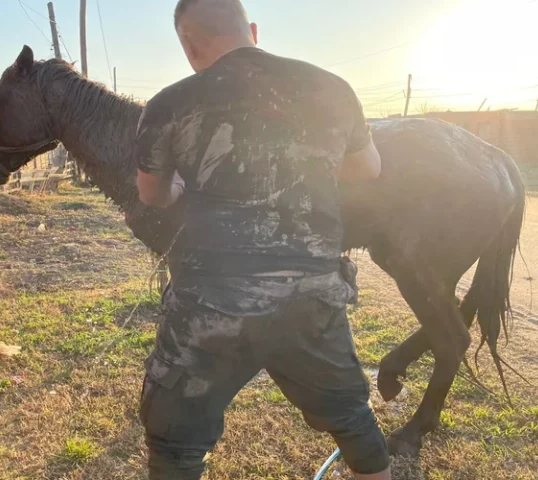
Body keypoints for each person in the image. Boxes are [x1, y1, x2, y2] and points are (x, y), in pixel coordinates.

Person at [134, 1, 391, 478]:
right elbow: (367, 169)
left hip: (210, 305)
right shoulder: (332, 88)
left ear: (189, 47)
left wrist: (181, 187)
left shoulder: (169, 103)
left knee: (174, 444)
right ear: (251, 30)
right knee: (353, 421)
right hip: (311, 296)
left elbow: (152, 194)